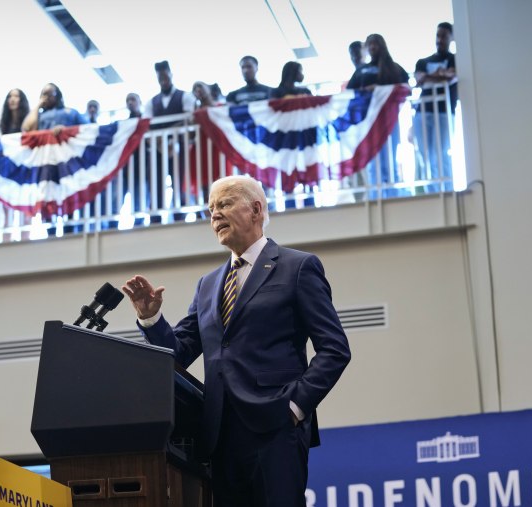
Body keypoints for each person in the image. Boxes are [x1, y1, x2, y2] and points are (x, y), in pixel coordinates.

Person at [123, 175, 351, 507]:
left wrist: (295, 406)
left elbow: (335, 348)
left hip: (276, 428)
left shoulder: (298, 267)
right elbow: (178, 354)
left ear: (256, 209)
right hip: (220, 436)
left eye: (225, 204)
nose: (214, 215)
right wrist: (150, 318)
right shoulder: (208, 284)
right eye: (211, 208)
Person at [347, 34, 410, 197]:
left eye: (375, 44)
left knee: (390, 159)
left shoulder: (394, 68)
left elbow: (405, 87)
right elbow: (350, 93)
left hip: (389, 120)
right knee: (373, 161)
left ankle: (392, 196)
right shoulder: (362, 70)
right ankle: (376, 197)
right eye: (369, 45)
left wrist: (380, 89)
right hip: (369, 122)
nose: (372, 47)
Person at [143, 61, 196, 212]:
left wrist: (169, 135)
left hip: (180, 146)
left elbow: (188, 119)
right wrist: (159, 140)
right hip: (158, 149)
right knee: (155, 184)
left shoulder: (185, 96)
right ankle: (155, 217)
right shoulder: (151, 102)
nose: (163, 79)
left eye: (165, 75)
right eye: (160, 76)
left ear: (171, 74)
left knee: (180, 182)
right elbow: (146, 125)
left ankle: (181, 214)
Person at [413, 22, 457, 192]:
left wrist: (434, 77)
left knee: (442, 153)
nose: (440, 40)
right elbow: (419, 79)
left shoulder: (455, 59)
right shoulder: (423, 61)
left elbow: (452, 76)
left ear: (451, 38)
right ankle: (432, 191)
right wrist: (439, 75)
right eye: (438, 36)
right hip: (424, 111)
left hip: (444, 112)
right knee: (426, 155)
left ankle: (447, 190)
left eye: (444, 36)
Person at [21, 82, 86, 132]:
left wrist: (66, 130)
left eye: (50, 94)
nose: (47, 97)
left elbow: (87, 129)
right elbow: (26, 129)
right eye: (44, 94)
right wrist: (39, 105)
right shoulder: (38, 115)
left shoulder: (71, 112)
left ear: (58, 95)